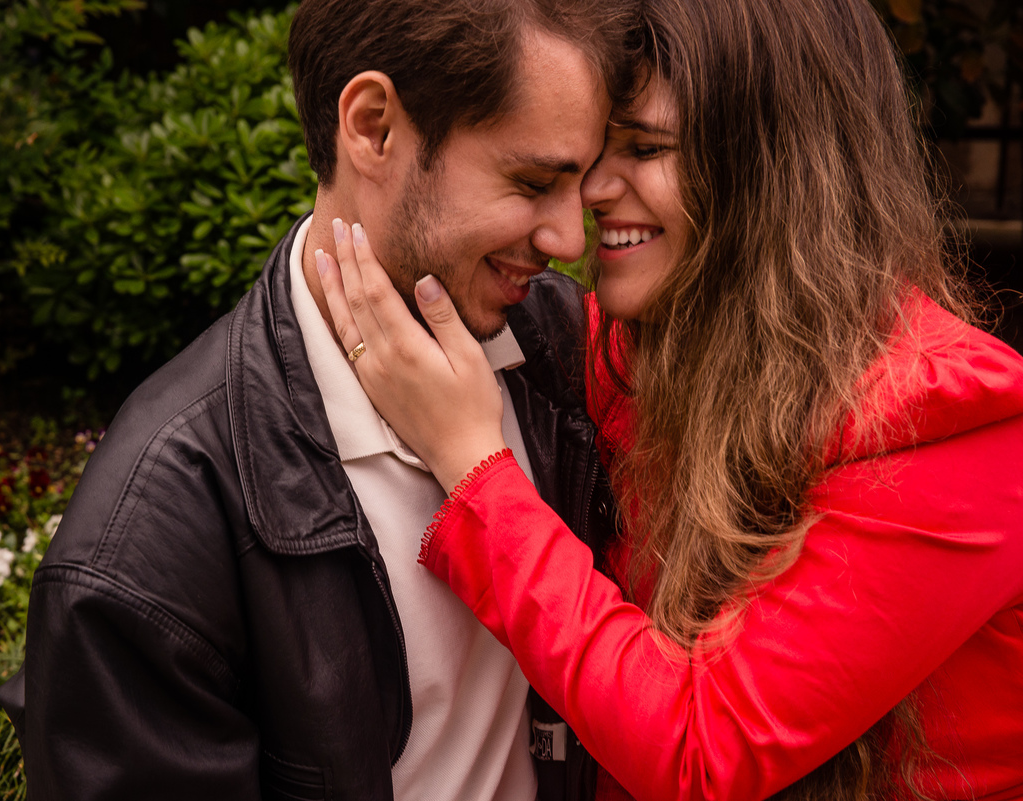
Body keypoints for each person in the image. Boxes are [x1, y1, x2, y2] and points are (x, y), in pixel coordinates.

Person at [315, 0, 1023, 799]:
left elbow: (700, 750)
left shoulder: (955, 428)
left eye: (645, 148)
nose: (591, 192)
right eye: (593, 151)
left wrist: (476, 469)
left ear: (771, 167)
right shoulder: (635, 347)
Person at [0, 0, 625, 799]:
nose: (572, 242)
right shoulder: (146, 544)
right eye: (532, 180)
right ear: (372, 127)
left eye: (581, 184)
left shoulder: (566, 357)